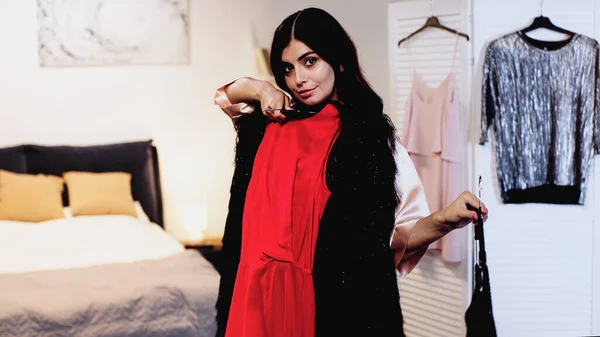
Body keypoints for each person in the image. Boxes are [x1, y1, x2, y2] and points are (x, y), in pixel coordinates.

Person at [213, 7, 488, 337]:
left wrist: (446, 219)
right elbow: (225, 96)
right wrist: (260, 88)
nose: (298, 78)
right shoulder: (269, 122)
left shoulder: (370, 142)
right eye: (288, 68)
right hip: (252, 295)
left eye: (309, 61)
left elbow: (394, 239)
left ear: (338, 60)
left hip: (323, 305)